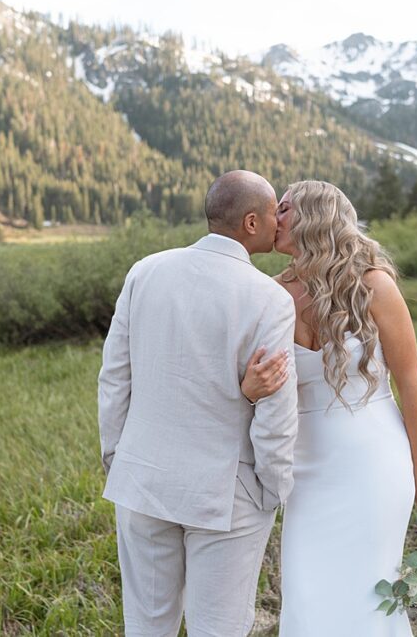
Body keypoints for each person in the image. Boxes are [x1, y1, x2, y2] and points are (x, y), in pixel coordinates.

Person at [242, 179, 417, 636]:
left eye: (285, 209)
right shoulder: (269, 294)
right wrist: (250, 388)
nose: (274, 217)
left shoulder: (373, 285)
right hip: (304, 471)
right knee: (305, 595)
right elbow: (251, 383)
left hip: (372, 463)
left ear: (314, 216)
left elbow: (412, 383)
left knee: (369, 595)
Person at [98, 170, 299, 637]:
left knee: (146, 628)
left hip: (141, 480)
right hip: (227, 493)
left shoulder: (145, 271)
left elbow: (114, 378)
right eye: (274, 214)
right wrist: (273, 487)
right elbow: (275, 407)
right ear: (251, 222)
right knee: (220, 629)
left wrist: (117, 457)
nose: (279, 223)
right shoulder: (268, 298)